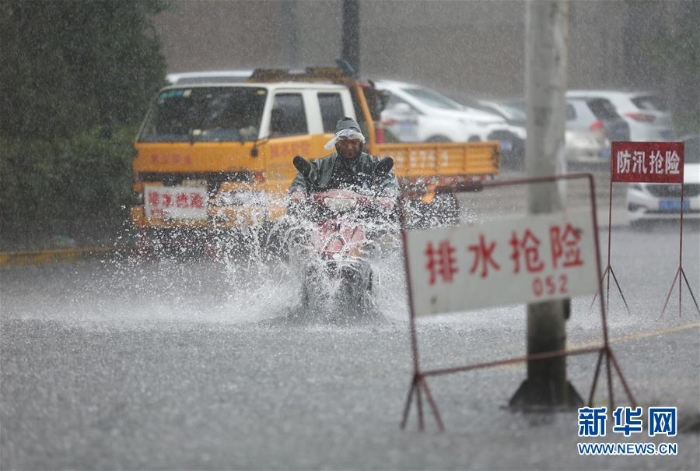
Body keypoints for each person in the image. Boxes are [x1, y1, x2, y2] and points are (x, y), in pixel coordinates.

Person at [288, 117, 399, 209]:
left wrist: (387, 196)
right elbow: (304, 176)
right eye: (344, 143)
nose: (349, 147)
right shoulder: (323, 164)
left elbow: (388, 179)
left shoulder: (372, 164)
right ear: (336, 144)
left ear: (361, 143)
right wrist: (298, 191)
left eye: (353, 142)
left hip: (365, 219)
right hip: (326, 217)